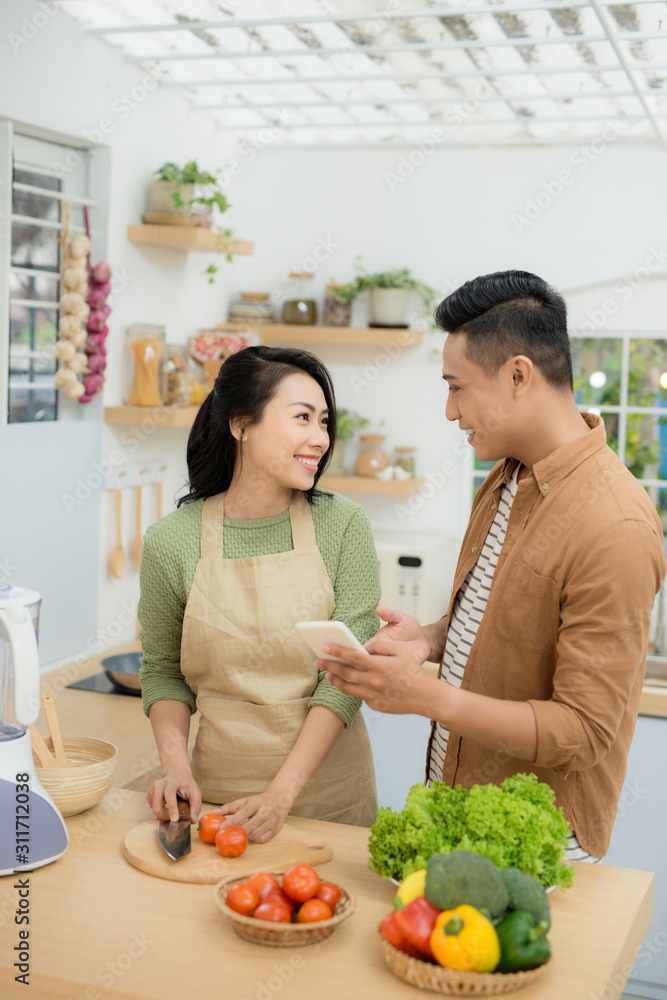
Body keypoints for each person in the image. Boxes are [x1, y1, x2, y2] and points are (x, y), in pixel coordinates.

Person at [321, 270, 667, 863]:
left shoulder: (617, 525)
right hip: (458, 805)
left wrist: (420, 696)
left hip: (538, 841)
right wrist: (429, 641)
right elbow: (505, 616)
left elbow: (581, 733)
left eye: (457, 387)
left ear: (517, 375)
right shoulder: (507, 474)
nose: (450, 411)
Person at [139, 345, 379, 843]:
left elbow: (346, 675)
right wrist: (174, 767)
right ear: (241, 424)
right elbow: (163, 671)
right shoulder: (171, 541)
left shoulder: (343, 525)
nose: (319, 438)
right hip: (215, 800)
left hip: (326, 801)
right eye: (302, 418)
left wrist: (281, 795)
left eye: (324, 422)